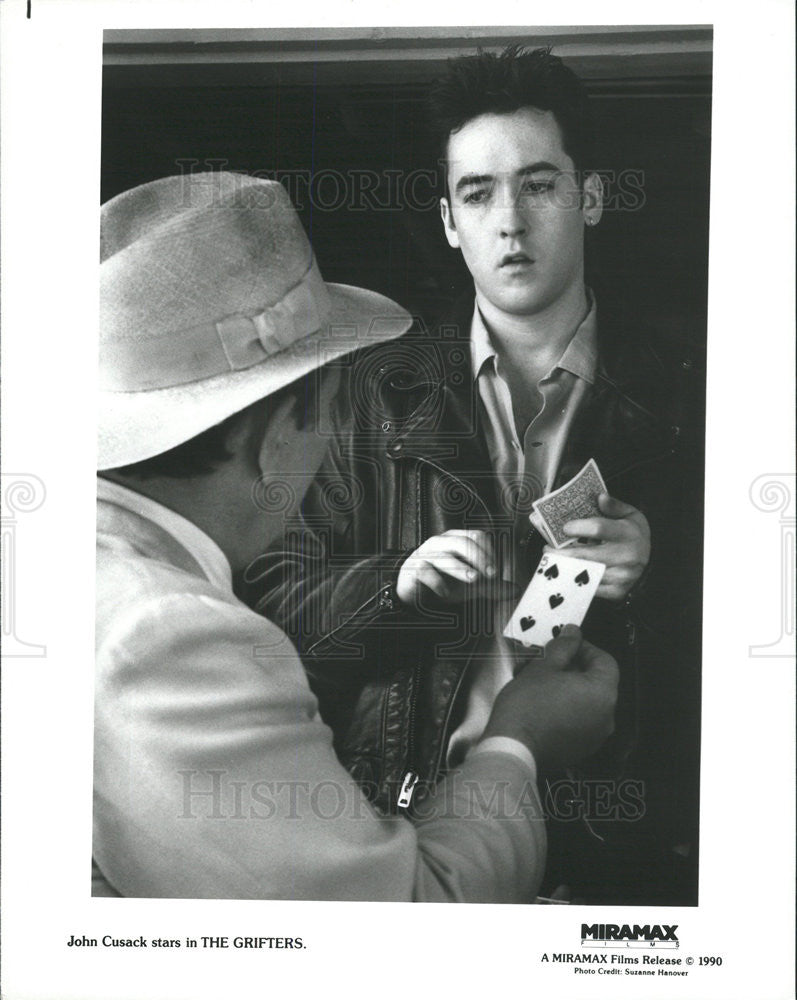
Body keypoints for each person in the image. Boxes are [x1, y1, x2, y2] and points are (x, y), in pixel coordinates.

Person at [253, 46, 704, 902]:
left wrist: (661, 570)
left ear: (591, 198)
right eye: (478, 192)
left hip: (624, 847)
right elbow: (266, 599)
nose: (509, 222)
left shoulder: (696, 388)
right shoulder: (365, 393)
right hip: (410, 829)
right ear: (450, 221)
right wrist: (394, 584)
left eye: (538, 185)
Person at [93, 170, 620, 901]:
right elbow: (401, 922)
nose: (510, 224)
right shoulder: (163, 633)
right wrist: (519, 742)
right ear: (275, 438)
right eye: (330, 417)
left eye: (538, 187)